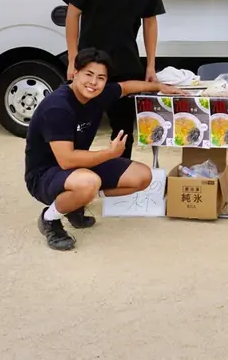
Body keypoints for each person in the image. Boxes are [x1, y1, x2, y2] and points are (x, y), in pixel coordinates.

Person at [25, 48, 183, 251]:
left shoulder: (98, 95)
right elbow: (66, 160)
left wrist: (160, 87)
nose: (93, 83)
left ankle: (75, 202)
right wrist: (110, 153)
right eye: (88, 75)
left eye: (101, 78)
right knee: (89, 182)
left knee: (142, 176)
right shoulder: (58, 107)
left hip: (76, 169)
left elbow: (126, 87)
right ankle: (50, 219)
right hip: (44, 175)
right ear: (75, 72)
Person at [62, 0, 165, 160]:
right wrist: (72, 58)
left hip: (126, 64)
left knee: (122, 131)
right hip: (88, 66)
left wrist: (150, 64)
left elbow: (150, 23)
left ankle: (119, 182)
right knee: (80, 129)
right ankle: (77, 184)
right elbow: (72, 16)